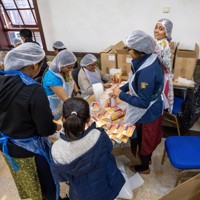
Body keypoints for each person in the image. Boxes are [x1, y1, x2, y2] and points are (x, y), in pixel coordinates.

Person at [0, 43, 66, 200]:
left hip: (8, 147)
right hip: (31, 150)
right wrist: (57, 126)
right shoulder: (33, 90)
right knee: (46, 183)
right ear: (35, 64)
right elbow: (45, 129)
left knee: (28, 181)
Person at [110, 30, 164, 174]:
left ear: (140, 51)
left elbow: (143, 102)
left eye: (129, 49)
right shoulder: (146, 59)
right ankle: (147, 158)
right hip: (150, 106)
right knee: (144, 138)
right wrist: (121, 88)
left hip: (148, 112)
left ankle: (144, 167)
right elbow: (134, 81)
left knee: (145, 140)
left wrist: (121, 95)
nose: (127, 51)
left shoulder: (147, 71)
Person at [51, 97, 125, 200]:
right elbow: (109, 148)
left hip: (82, 193)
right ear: (88, 119)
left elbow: (61, 177)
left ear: (63, 119)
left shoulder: (56, 149)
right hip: (107, 183)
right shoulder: (98, 135)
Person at [42, 49, 81, 120]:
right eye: (69, 67)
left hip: (65, 102)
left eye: (72, 67)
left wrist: (77, 92)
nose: (71, 69)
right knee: (59, 121)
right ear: (60, 65)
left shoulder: (65, 71)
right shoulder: (52, 78)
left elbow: (71, 81)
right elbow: (65, 99)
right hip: (55, 107)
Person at [154, 18, 174, 113]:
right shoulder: (163, 42)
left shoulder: (160, 45)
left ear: (167, 32)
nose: (156, 30)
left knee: (157, 107)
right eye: (156, 27)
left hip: (161, 80)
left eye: (161, 29)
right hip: (161, 78)